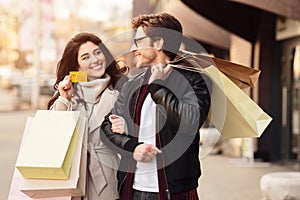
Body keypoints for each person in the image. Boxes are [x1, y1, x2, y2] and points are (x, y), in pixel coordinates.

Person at [100, 12, 211, 200]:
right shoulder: (132, 85)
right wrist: (132, 148)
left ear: (158, 43)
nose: (133, 49)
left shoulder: (194, 80)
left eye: (138, 42)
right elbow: (106, 129)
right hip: (132, 188)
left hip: (174, 192)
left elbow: (191, 121)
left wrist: (157, 87)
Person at [47, 32, 127, 199]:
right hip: (70, 175)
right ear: (77, 67)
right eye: (85, 57)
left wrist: (126, 128)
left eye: (97, 53)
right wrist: (64, 99)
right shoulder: (68, 94)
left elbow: (136, 132)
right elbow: (52, 134)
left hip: (106, 175)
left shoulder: (120, 90)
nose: (95, 60)